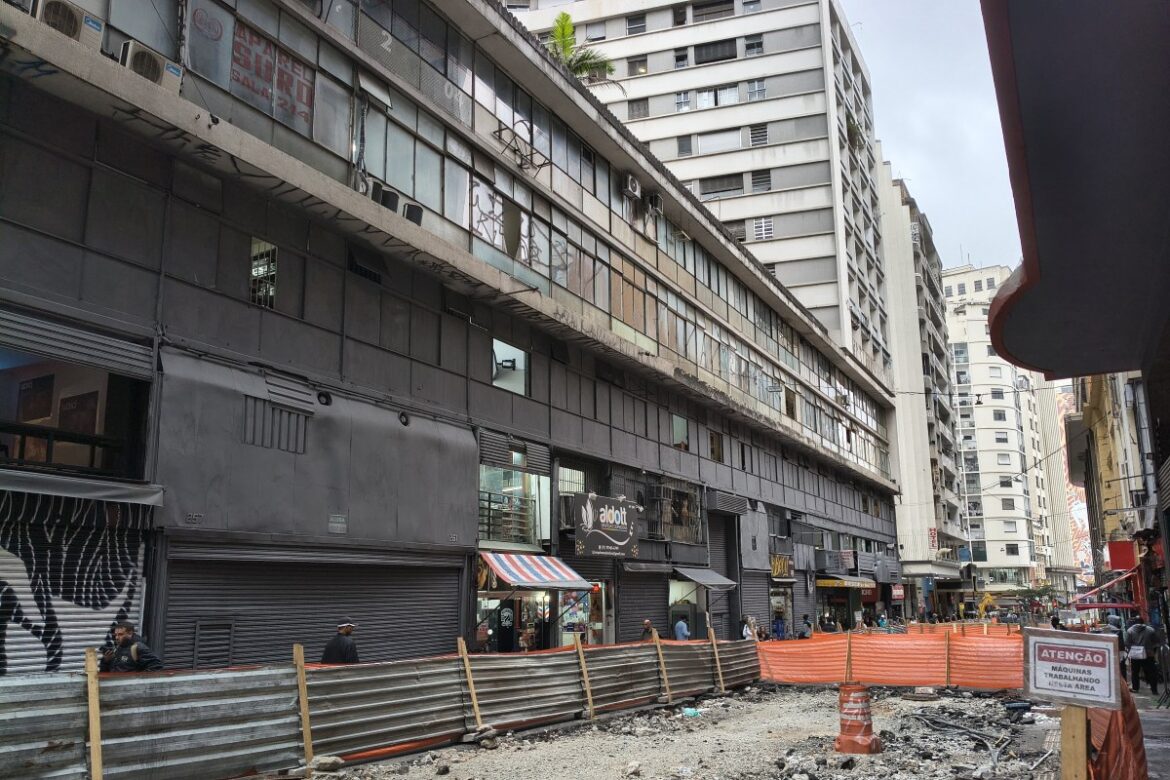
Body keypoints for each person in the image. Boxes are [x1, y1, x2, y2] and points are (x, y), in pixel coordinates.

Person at [1126, 616, 1160, 694]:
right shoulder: (1150, 630)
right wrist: (1152, 651)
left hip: (1135, 656)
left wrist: (1133, 649)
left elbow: (1127, 643)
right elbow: (1156, 643)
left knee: (1135, 672)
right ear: (1143, 622)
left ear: (1134, 623)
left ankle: (1135, 688)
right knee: (1151, 672)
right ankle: (1154, 690)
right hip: (1148, 655)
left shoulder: (1130, 631)